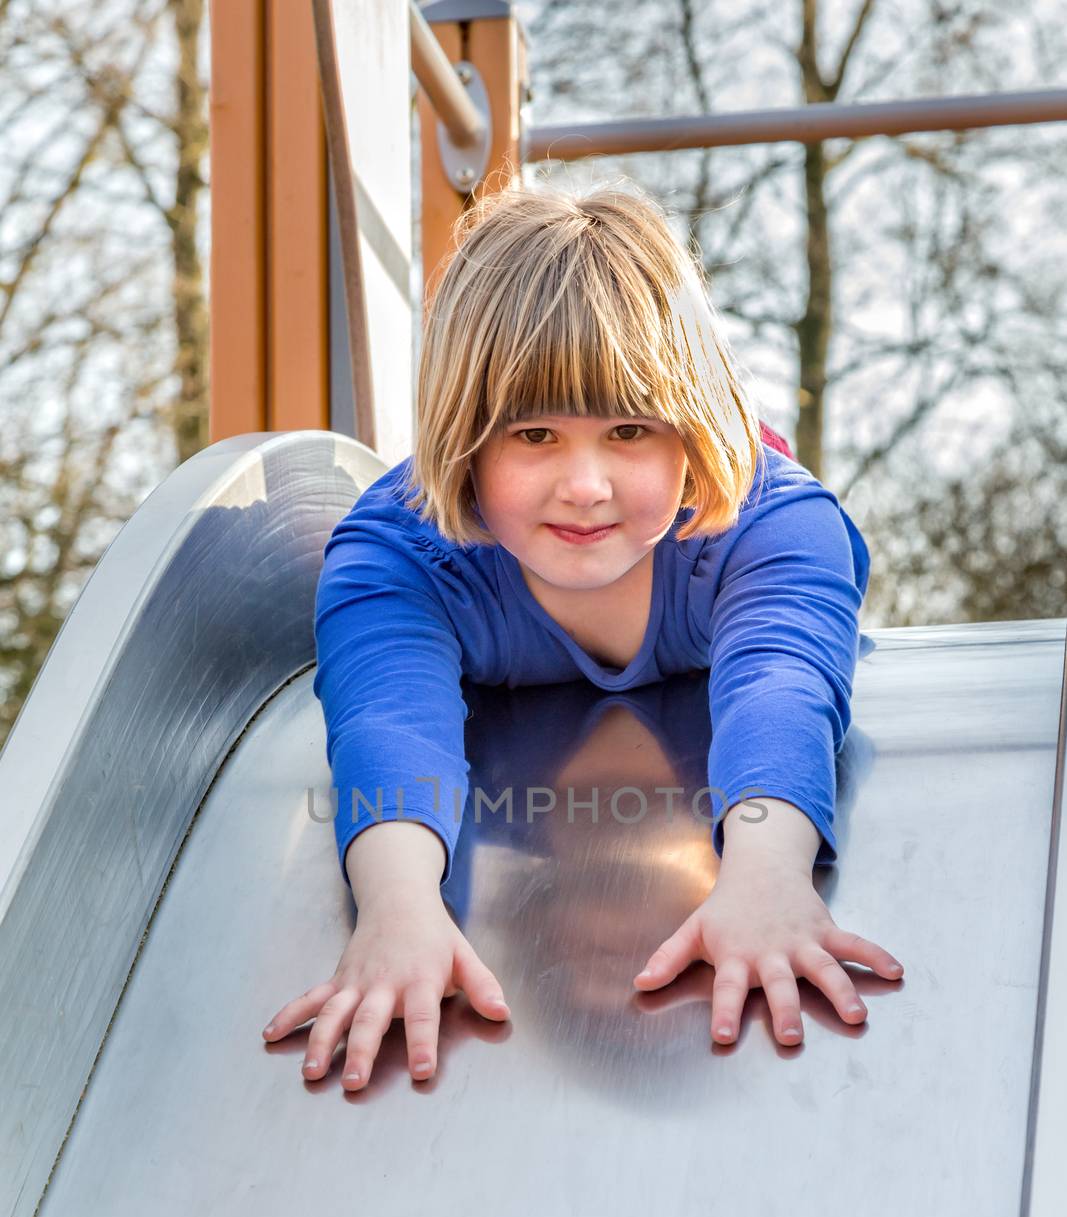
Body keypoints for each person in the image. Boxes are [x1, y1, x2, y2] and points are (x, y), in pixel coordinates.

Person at [262, 180, 904, 1089]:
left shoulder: (768, 528)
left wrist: (766, 872)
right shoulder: (399, 556)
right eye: (532, 435)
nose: (585, 484)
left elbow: (781, 682)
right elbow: (387, 720)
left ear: (688, 431)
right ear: (461, 440)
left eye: (630, 430)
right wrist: (398, 905)